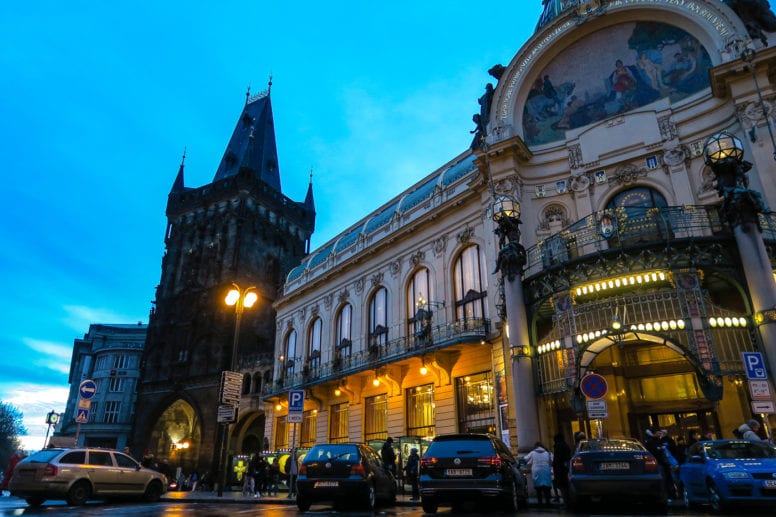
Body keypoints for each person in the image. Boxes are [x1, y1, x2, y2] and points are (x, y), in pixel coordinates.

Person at [525, 441, 553, 507]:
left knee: (538, 489)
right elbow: (552, 461)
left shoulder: (533, 453)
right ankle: (548, 503)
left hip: (536, 471)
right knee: (547, 488)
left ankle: (540, 503)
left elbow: (525, 459)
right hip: (546, 471)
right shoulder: (547, 453)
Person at [552, 433, 571, 504]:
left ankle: (566, 501)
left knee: (562, 486)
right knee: (565, 486)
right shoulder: (566, 446)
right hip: (564, 469)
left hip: (559, 469)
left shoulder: (558, 446)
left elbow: (557, 459)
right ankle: (568, 501)